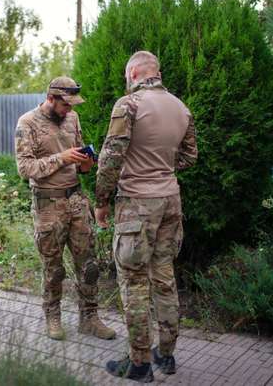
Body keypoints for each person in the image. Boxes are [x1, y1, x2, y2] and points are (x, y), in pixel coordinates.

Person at [95, 51, 197, 382]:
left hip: (137, 204)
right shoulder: (181, 107)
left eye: (128, 75)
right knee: (164, 277)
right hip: (170, 201)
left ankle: (139, 364)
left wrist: (101, 201)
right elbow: (190, 156)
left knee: (134, 282)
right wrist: (161, 167)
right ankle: (165, 356)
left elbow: (111, 158)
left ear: (135, 72)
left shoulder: (129, 104)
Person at [15, 76, 116, 341]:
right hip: (48, 204)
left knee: (89, 264)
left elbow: (79, 154)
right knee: (54, 267)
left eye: (72, 105)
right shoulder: (27, 123)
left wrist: (85, 163)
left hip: (76, 200)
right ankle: (53, 316)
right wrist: (62, 158)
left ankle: (90, 318)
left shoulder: (73, 119)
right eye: (65, 105)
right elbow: (25, 168)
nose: (69, 110)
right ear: (51, 99)